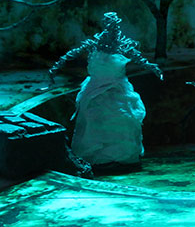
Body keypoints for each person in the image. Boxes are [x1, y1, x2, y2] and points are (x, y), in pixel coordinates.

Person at [49, 12, 162, 167]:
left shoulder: (124, 46)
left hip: (118, 89)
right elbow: (71, 54)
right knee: (95, 117)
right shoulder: (95, 43)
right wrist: (55, 68)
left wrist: (154, 68)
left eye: (115, 24)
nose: (112, 27)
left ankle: (121, 157)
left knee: (122, 118)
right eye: (109, 23)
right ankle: (97, 157)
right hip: (95, 89)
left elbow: (141, 60)